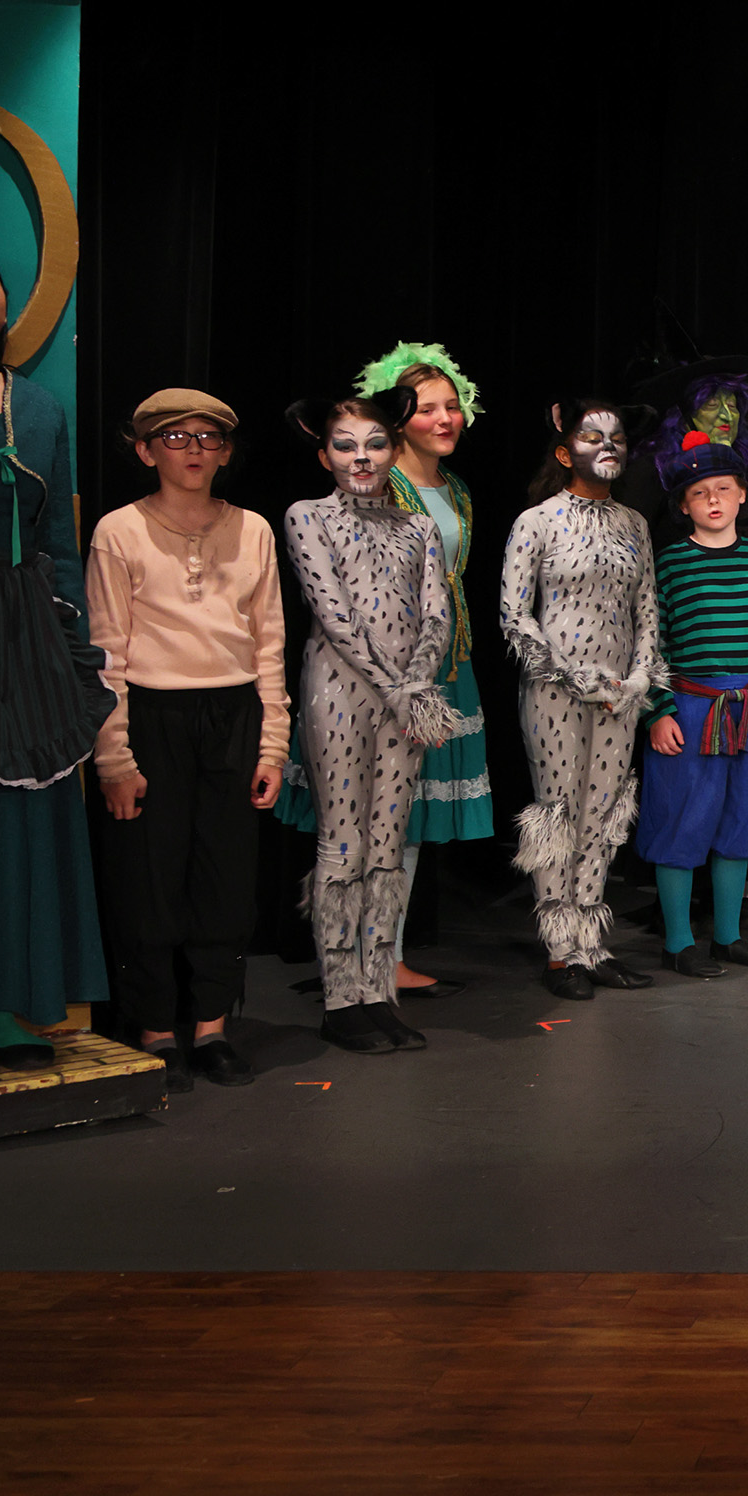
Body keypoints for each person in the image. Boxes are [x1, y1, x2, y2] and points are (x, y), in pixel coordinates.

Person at [88, 386, 282, 1082]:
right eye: (175, 437)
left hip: (232, 713)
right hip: (152, 715)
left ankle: (211, 1026)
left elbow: (269, 644)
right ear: (146, 451)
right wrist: (114, 757)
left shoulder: (253, 529)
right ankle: (153, 1026)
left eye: (208, 438)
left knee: (224, 875)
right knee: (150, 875)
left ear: (225, 452)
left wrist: (272, 744)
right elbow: (105, 650)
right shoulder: (119, 530)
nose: (194, 449)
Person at [283, 395, 471, 1054]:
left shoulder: (417, 526)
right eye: (345, 445)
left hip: (406, 697)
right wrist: (397, 688)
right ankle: (340, 999)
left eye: (374, 444)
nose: (361, 458)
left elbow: (437, 612)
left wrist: (415, 684)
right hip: (339, 690)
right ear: (325, 455)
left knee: (388, 843)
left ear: (393, 451)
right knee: (344, 841)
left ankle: (376, 990)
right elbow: (331, 612)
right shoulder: (308, 516)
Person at [502, 395, 659, 1001]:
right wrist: (572, 676)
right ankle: (559, 952)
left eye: (616, 436)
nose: (608, 446)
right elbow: (515, 615)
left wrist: (640, 677)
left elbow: (646, 608)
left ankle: (592, 944)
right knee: (559, 814)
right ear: (566, 452)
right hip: (555, 690)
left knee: (605, 812)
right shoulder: (536, 521)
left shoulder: (635, 524)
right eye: (593, 437)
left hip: (620, 694)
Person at [356, 343, 491, 986]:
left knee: (406, 819)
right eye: (427, 408)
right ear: (397, 418)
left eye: (452, 406)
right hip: (392, 667)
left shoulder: (455, 488)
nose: (445, 419)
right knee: (380, 812)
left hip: (446, 663)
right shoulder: (381, 486)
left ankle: (388, 954)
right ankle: (363, 957)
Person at [640, 433, 748, 979]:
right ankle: (679, 942)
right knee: (682, 822)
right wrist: (659, 711)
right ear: (684, 505)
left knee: (740, 823)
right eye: (700, 492)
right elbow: (651, 644)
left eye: (723, 489)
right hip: (690, 710)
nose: (713, 500)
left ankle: (728, 937)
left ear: (742, 495)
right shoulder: (670, 564)